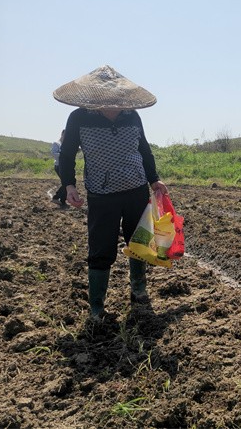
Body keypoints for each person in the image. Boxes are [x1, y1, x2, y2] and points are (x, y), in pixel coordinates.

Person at [53, 65, 168, 320]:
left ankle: (138, 292)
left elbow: (144, 149)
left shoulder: (132, 116)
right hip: (102, 196)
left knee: (138, 244)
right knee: (101, 250)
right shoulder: (79, 118)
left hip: (136, 191)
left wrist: (154, 180)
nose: (113, 102)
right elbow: (68, 153)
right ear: (94, 97)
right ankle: (96, 308)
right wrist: (69, 184)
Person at [50, 130, 67, 207]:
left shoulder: (67, 144)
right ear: (62, 134)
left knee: (67, 183)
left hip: (66, 166)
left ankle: (62, 202)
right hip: (59, 166)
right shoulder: (56, 144)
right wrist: (63, 154)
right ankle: (56, 197)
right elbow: (54, 154)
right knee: (66, 183)